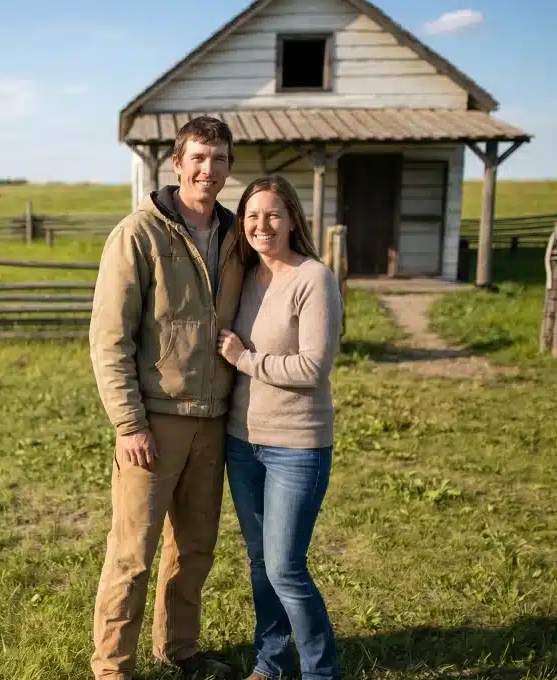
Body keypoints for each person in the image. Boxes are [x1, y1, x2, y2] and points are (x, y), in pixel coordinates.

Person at [88, 116, 246, 680]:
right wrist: (129, 423)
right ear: (177, 164)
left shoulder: (237, 236)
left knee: (195, 548)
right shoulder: (138, 234)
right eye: (198, 157)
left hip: (214, 419)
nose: (209, 169)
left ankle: (180, 650)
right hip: (155, 423)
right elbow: (110, 337)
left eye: (219, 158)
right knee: (133, 553)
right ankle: (113, 669)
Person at [216, 175, 344, 680]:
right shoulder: (246, 277)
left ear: (292, 219)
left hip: (296, 445)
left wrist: (245, 359)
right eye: (252, 216)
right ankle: (270, 664)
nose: (261, 225)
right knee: (259, 564)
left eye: (272, 214)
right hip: (242, 442)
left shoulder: (314, 278)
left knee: (286, 569)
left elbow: (314, 367)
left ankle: (319, 672)